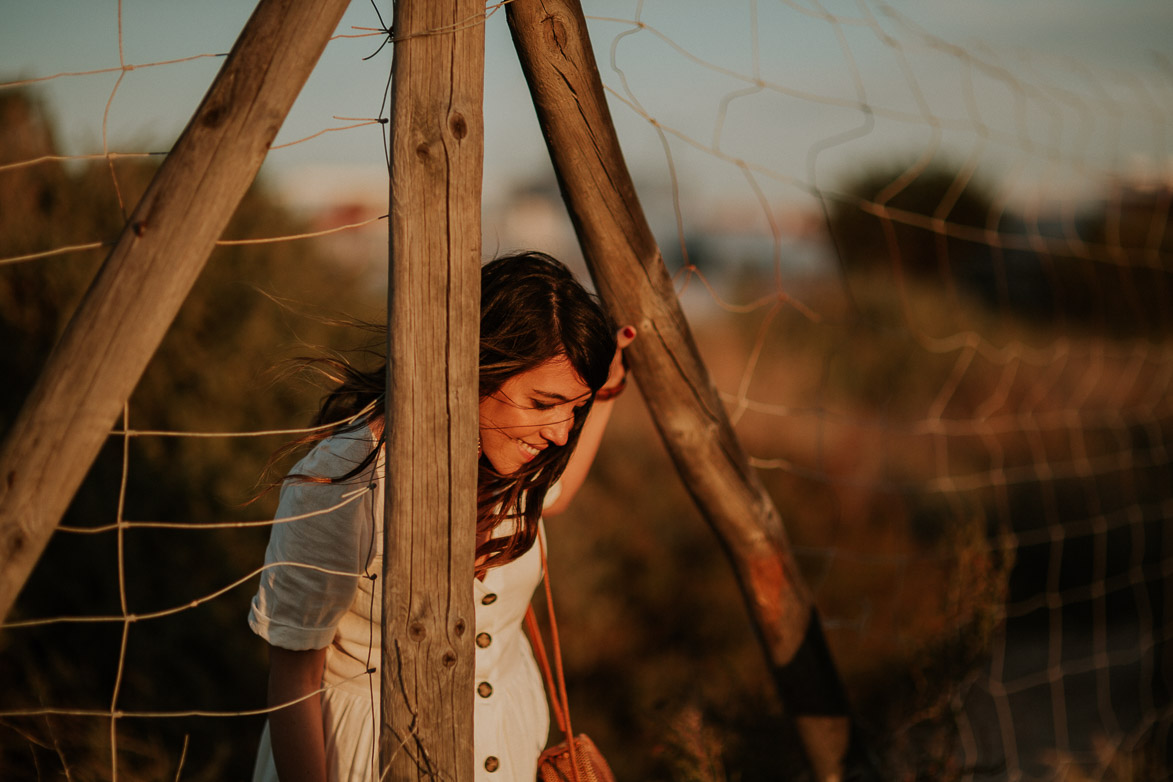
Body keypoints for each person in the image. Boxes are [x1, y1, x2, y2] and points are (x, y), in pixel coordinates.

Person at [248, 252, 636, 782]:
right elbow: (293, 677)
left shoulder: (510, 461)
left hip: (513, 755)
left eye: (574, 408)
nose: (561, 433)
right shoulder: (342, 479)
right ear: (477, 365)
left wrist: (608, 391)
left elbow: (557, 495)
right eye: (543, 403)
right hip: (367, 762)